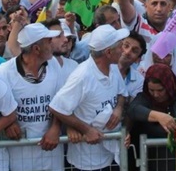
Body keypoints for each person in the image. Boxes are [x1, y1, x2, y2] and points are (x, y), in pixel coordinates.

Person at [49, 25, 129, 171]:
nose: (123, 50)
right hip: (86, 162)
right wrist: (86, 130)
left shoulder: (114, 68)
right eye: (120, 46)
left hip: (111, 156)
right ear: (108, 52)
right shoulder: (82, 76)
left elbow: (122, 94)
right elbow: (57, 107)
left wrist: (118, 108)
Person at [0, 23, 64, 171]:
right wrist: (8, 124)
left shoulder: (53, 64)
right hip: (19, 149)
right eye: (48, 41)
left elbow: (61, 101)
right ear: (36, 49)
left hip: (50, 147)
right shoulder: (4, 72)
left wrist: (55, 127)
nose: (52, 44)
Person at [126, 64, 176, 171]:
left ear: (169, 86)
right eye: (152, 90)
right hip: (154, 164)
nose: (156, 95)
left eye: (160, 90)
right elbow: (133, 110)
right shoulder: (145, 98)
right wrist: (158, 116)